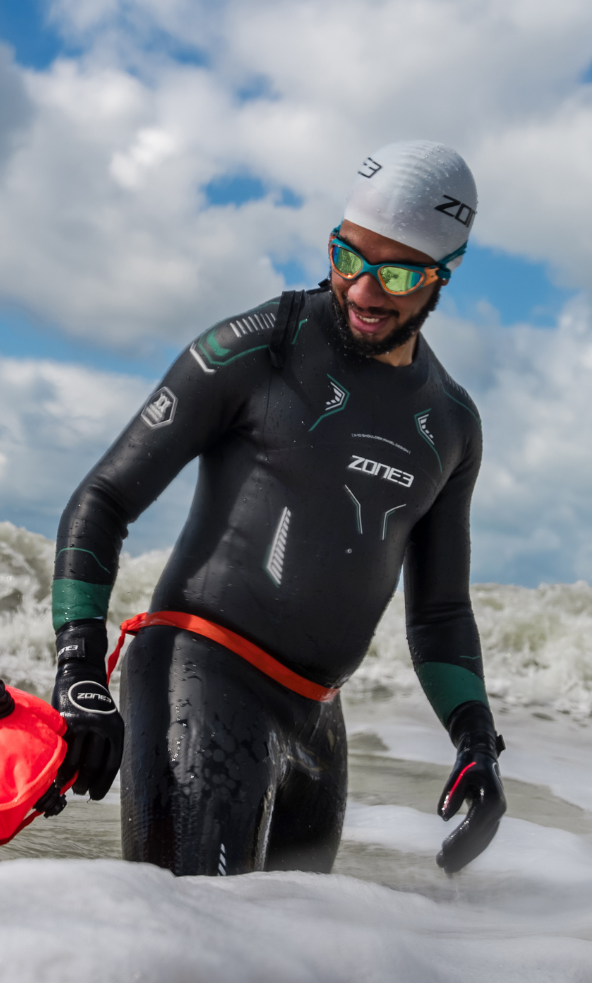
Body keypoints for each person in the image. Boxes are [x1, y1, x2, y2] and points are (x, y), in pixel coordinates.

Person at [44, 141, 506, 876]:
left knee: (288, 957)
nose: (361, 290)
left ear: (442, 277)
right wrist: (79, 672)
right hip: (200, 678)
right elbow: (103, 498)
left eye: (396, 273)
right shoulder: (258, 348)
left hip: (319, 718)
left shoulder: (451, 423)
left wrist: (475, 740)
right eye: (347, 256)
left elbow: (440, 614)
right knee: (195, 949)